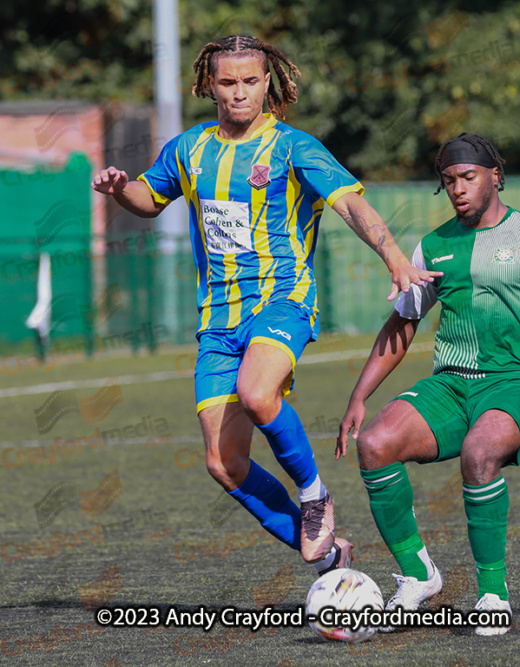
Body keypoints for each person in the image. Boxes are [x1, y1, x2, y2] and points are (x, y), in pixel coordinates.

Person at [91, 35, 438, 576]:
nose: (239, 93)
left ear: (268, 82)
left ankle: (315, 493)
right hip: (217, 318)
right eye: (227, 83)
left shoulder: (293, 147)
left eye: (250, 81)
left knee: (258, 393)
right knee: (223, 464)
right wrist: (119, 189)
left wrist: (393, 255)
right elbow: (148, 199)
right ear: (210, 85)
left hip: (282, 299)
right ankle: (331, 559)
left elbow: (350, 204)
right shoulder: (190, 148)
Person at [337, 132, 520, 636]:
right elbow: (401, 327)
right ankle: (418, 576)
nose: (457, 189)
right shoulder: (433, 246)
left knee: (479, 453)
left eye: (467, 177)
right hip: (450, 384)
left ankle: (492, 593)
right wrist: (359, 396)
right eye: (448, 181)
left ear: (495, 175)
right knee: (376, 443)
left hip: (516, 383)